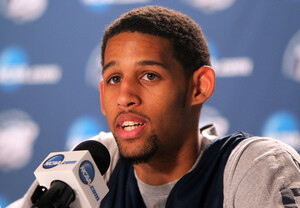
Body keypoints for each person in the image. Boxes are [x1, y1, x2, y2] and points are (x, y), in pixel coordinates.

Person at [8, 5, 300, 208]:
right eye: (114, 79)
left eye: (149, 76)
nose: (125, 97)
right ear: (101, 95)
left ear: (199, 87)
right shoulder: (97, 162)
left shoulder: (255, 166)